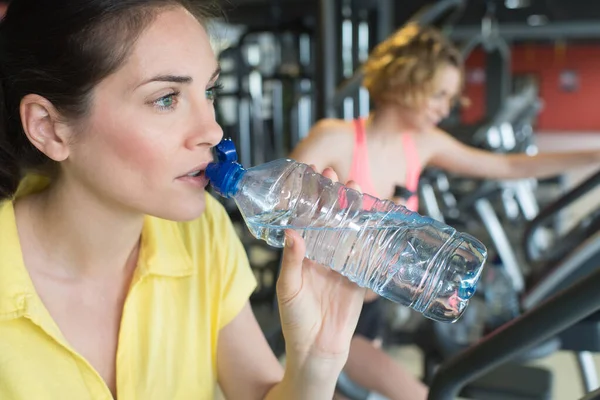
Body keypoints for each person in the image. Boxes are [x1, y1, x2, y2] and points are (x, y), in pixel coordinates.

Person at [0, 1, 369, 399]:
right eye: (166, 99)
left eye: (209, 90)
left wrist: (316, 361)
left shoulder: (201, 232)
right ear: (49, 128)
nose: (212, 130)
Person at [291, 23, 600, 400]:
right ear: (407, 81)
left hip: (373, 310)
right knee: (424, 394)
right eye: (438, 94)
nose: (445, 107)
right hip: (321, 308)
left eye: (449, 97)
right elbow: (282, 211)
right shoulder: (334, 138)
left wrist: (595, 154)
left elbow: (507, 167)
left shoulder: (421, 144)